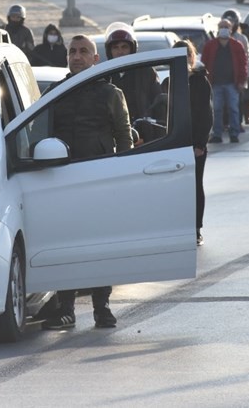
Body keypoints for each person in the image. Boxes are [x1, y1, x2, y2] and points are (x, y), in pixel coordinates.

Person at [43, 35, 132, 331]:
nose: (76, 56)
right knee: (64, 244)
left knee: (99, 245)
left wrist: (125, 175)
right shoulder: (56, 93)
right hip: (62, 180)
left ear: (96, 59)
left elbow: (124, 135)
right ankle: (65, 308)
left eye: (83, 51)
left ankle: (101, 307)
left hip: (99, 179)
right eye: (72, 52)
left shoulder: (110, 93)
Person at [174, 39, 213, 247]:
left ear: (192, 57)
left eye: (186, 54)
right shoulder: (170, 82)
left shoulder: (199, 81)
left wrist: (199, 144)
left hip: (195, 145)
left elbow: (206, 115)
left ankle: (196, 228)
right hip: (174, 144)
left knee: (195, 185)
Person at [103, 24, 161, 134]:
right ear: (109, 51)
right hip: (114, 136)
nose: (120, 52)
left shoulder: (146, 72)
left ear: (132, 49)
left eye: (124, 47)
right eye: (115, 47)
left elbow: (158, 102)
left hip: (144, 134)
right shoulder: (104, 76)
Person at [201, 18, 249, 144]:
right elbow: (204, 63)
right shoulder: (210, 45)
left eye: (226, 27)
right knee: (216, 109)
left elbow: (243, 64)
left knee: (233, 109)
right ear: (218, 29)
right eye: (221, 26)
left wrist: (241, 82)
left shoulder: (237, 45)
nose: (224, 29)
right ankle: (217, 134)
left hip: (232, 84)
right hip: (215, 83)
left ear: (231, 29)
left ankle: (234, 134)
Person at [220, 9, 249, 128]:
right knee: (222, 104)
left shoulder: (242, 38)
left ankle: (238, 123)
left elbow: (247, 57)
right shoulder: (218, 38)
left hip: (238, 76)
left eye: (231, 22)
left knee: (238, 101)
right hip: (223, 76)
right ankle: (224, 124)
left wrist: (247, 74)